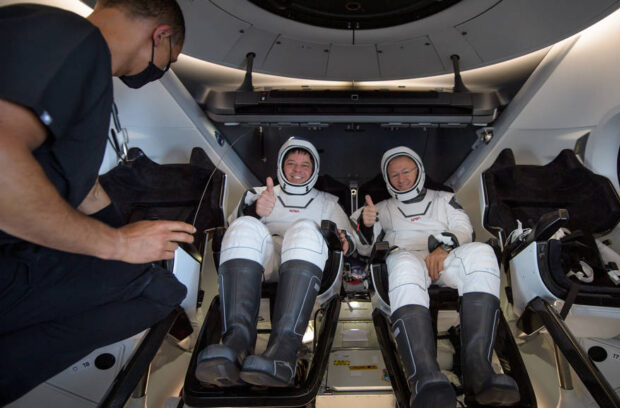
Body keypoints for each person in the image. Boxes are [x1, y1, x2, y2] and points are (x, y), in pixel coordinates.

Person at [0, 1, 193, 404]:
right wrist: (119, 245)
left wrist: (125, 235)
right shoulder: (72, 40)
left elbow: (82, 187)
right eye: (168, 60)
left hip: (15, 258)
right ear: (161, 36)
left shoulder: (78, 66)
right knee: (156, 291)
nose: (160, 72)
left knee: (156, 286)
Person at [351, 146, 520, 407]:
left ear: (419, 170)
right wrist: (367, 223)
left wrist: (444, 248)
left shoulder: (444, 199)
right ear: (387, 180)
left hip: (444, 257)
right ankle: (424, 377)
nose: (401, 178)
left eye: (406, 171)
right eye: (394, 175)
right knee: (404, 262)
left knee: (483, 253)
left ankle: (479, 371)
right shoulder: (380, 208)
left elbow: (464, 228)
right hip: (406, 260)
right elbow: (360, 246)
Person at [196, 137, 356, 388]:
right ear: (281, 165)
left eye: (305, 165)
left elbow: (350, 240)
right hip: (264, 264)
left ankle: (283, 352)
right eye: (291, 163)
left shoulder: (328, 203)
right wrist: (254, 212)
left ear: (314, 169)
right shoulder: (257, 195)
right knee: (244, 226)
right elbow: (230, 228)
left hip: (308, 264)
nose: (297, 170)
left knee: (303, 229)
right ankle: (236, 343)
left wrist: (346, 240)